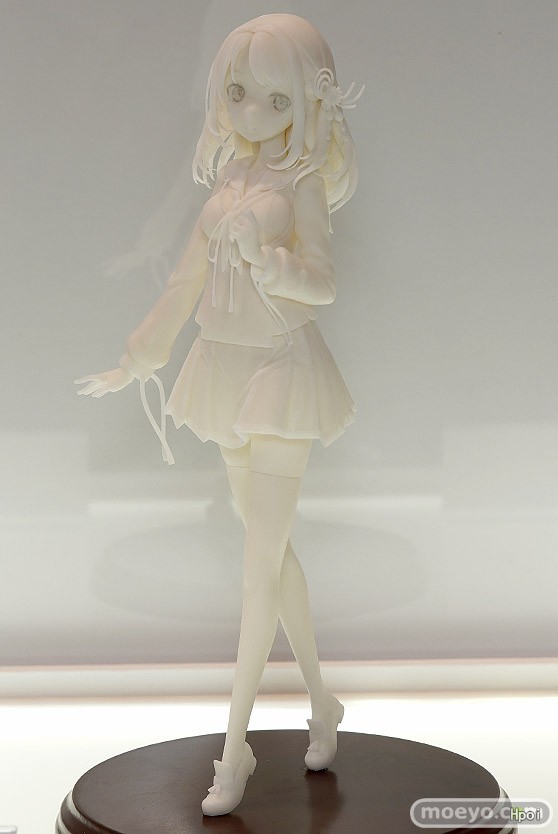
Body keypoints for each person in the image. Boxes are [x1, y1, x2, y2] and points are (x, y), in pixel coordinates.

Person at [76, 13, 362, 816]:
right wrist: (138, 356)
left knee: (257, 565)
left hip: (281, 370)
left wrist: (274, 266)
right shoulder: (229, 179)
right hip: (223, 366)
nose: (251, 111)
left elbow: (323, 281)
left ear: (305, 100)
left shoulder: (301, 184)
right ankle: (323, 701)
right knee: (271, 552)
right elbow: (184, 283)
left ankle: (233, 748)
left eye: (274, 98)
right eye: (238, 92)